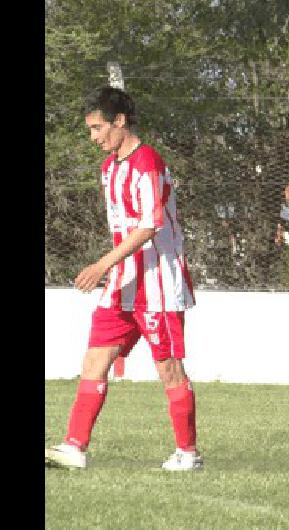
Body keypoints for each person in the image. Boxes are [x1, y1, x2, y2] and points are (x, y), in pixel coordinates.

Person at [44, 87, 202, 471]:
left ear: (119, 122)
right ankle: (74, 446)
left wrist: (100, 265)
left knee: (167, 367)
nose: (94, 138)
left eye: (98, 128)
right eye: (90, 130)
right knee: (95, 357)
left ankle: (188, 453)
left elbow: (149, 225)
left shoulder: (147, 161)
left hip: (158, 282)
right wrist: (111, 270)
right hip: (123, 282)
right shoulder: (109, 169)